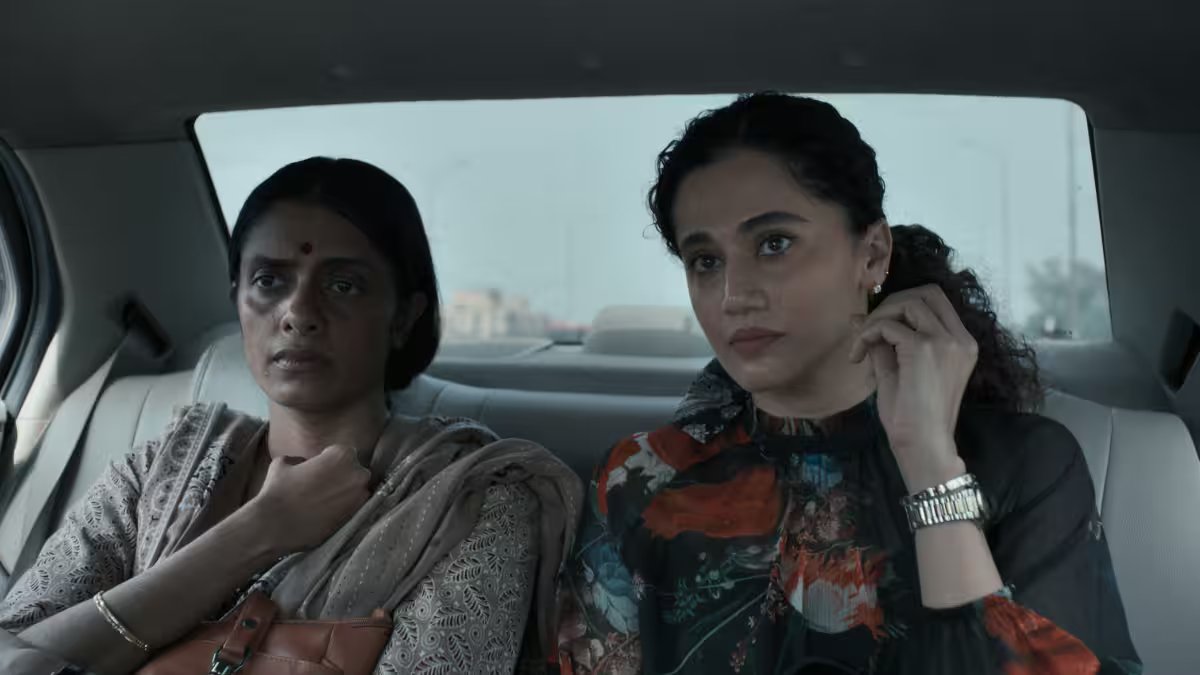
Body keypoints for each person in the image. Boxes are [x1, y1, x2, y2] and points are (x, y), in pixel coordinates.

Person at [557, 94, 1141, 673]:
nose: (734, 296)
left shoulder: (1024, 464)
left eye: (774, 244)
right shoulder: (640, 478)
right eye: (706, 261)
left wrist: (931, 468)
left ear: (872, 254)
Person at [0, 157, 582, 675]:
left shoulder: (474, 501)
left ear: (404, 316)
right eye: (269, 281)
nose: (299, 312)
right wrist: (257, 531)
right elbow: (12, 647)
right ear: (237, 299)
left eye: (344, 285)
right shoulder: (158, 470)